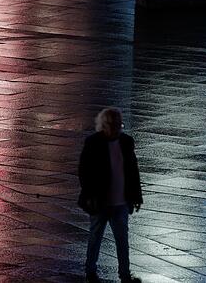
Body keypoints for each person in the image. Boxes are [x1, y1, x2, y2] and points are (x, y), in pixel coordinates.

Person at [78, 108, 142, 283]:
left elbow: (132, 171)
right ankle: (91, 271)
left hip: (120, 201)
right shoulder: (93, 143)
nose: (116, 129)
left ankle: (125, 274)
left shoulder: (127, 142)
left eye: (119, 125)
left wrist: (136, 196)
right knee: (96, 237)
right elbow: (84, 172)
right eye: (113, 125)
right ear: (104, 126)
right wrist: (89, 195)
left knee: (122, 240)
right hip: (101, 202)